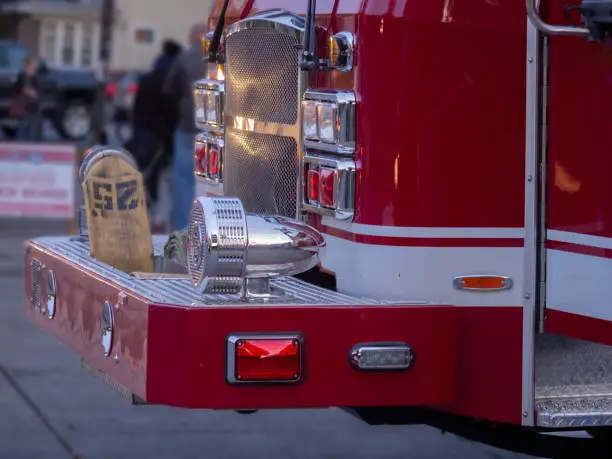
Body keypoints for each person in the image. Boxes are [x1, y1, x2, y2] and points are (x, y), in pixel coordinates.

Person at [126, 39, 182, 207]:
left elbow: (136, 106)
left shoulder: (148, 77)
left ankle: (145, 203)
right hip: (162, 134)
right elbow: (171, 110)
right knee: (158, 171)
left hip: (143, 130)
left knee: (146, 170)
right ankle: (154, 205)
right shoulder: (171, 79)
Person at [162, 23, 207, 231]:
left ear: (194, 37)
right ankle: (206, 229)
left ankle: (184, 231)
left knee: (183, 180)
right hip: (214, 132)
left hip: (187, 128)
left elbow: (169, 89)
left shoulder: (185, 58)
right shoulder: (220, 58)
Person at [13, 56, 42, 141]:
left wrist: (32, 93)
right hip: (24, 106)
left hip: (34, 106)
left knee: (35, 128)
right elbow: (17, 89)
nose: (33, 68)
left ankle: (34, 144)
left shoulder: (35, 77)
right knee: (23, 128)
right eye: (31, 65)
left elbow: (39, 91)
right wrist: (25, 90)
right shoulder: (22, 76)